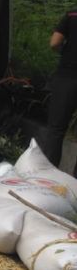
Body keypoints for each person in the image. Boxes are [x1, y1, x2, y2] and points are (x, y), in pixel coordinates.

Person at [43, 10, 77, 174]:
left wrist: (66, 52)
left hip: (67, 78)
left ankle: (48, 175)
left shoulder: (71, 15)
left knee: (56, 129)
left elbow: (54, 43)